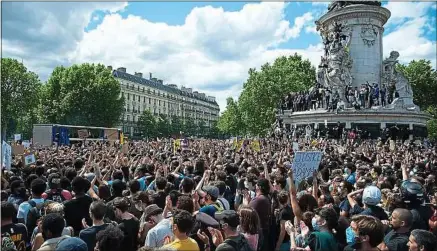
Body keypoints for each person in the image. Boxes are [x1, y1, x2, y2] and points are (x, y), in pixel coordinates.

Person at [247, 178, 271, 251]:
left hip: (258, 233)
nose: (255, 186)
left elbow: (246, 212)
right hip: (263, 231)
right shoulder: (267, 197)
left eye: (256, 185)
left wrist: (246, 203)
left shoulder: (259, 200)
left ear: (259, 187)